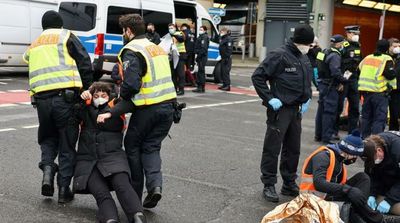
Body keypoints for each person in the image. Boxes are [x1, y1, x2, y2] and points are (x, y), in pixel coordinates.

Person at [97, 14, 177, 209]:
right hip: (168, 107)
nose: (123, 35)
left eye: (123, 31)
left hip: (148, 108)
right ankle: (155, 186)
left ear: (129, 31)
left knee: (132, 146)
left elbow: (131, 85)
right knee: (151, 147)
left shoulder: (132, 50)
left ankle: (134, 196)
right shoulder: (156, 48)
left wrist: (118, 99)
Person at [22, 10, 93, 203]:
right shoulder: (66, 36)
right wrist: (87, 88)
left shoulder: (35, 43)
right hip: (66, 100)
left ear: (43, 26)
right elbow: (84, 61)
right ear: (60, 24)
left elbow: (27, 61)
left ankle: (47, 170)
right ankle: (63, 190)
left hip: (42, 101)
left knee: (47, 138)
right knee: (67, 144)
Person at [251, 24, 314, 203]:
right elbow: (258, 77)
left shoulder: (303, 57)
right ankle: (269, 184)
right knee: (272, 148)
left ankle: (288, 183)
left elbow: (306, 81)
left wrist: (307, 98)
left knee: (293, 149)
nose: (309, 47)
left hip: (297, 110)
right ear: (299, 42)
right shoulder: (279, 55)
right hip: (280, 110)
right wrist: (270, 98)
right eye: (308, 44)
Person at [74, 82, 146, 223]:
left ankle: (138, 216)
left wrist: (109, 113)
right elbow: (74, 112)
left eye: (103, 95)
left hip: (114, 158)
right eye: (96, 95)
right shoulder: (85, 108)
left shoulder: (115, 108)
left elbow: (129, 104)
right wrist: (82, 98)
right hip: (88, 163)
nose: (99, 98)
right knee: (101, 194)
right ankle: (110, 219)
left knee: (122, 185)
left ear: (109, 96)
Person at [300, 130, 395, 223]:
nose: (355, 159)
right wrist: (348, 190)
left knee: (363, 178)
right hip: (313, 201)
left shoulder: (339, 159)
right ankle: (377, 219)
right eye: (355, 156)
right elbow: (319, 184)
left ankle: (360, 215)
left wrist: (351, 191)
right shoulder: (323, 156)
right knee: (352, 191)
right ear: (349, 152)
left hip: (329, 196)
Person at [315, 34, 350, 144]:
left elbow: (319, 65)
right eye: (343, 43)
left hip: (323, 84)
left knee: (321, 110)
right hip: (330, 86)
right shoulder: (335, 55)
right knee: (329, 112)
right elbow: (335, 72)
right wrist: (344, 80)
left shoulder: (324, 51)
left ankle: (318, 134)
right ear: (339, 44)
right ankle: (326, 137)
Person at [358, 39, 397, 138]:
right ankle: (375, 142)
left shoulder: (368, 57)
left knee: (366, 118)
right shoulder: (386, 59)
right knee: (379, 119)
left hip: (366, 93)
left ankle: (364, 141)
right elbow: (390, 75)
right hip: (379, 93)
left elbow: (359, 69)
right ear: (387, 48)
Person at [363, 131, 400, 216]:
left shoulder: (397, 150)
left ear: (379, 150)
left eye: (373, 160)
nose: (374, 162)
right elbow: (371, 174)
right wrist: (372, 193)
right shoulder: (370, 149)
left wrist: (390, 200)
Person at [335, 25, 363, 138]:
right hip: (344, 80)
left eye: (357, 34)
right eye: (354, 34)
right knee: (338, 107)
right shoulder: (343, 46)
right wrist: (341, 81)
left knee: (355, 107)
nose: (356, 36)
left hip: (354, 80)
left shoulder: (358, 46)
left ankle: (352, 133)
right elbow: (338, 64)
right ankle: (334, 131)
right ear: (348, 34)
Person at [169, 23, 187, 95]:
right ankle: (174, 89)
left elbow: (181, 39)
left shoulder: (180, 33)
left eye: (172, 28)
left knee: (180, 73)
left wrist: (174, 35)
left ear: (175, 28)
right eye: (169, 28)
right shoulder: (169, 36)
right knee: (173, 74)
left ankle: (181, 89)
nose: (170, 29)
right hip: (173, 56)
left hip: (180, 55)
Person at [192, 25, 209, 93]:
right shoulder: (201, 36)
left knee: (201, 73)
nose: (200, 30)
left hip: (202, 57)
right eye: (200, 29)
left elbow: (203, 48)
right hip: (201, 56)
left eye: (201, 29)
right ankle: (200, 87)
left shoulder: (204, 37)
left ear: (205, 30)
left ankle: (201, 87)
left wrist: (198, 56)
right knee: (200, 72)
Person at [388, 38, 400, 131]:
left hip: (397, 90)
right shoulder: (385, 57)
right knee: (381, 113)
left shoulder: (398, 58)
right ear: (389, 47)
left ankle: (393, 132)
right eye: (395, 46)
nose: (397, 48)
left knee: (395, 114)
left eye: (399, 46)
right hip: (384, 88)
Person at [218, 27, 233, 91]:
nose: (221, 32)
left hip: (226, 58)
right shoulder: (223, 38)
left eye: (222, 31)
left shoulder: (228, 39)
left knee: (226, 72)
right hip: (223, 57)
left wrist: (227, 57)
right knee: (222, 72)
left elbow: (229, 49)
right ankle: (224, 84)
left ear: (225, 32)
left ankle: (227, 86)